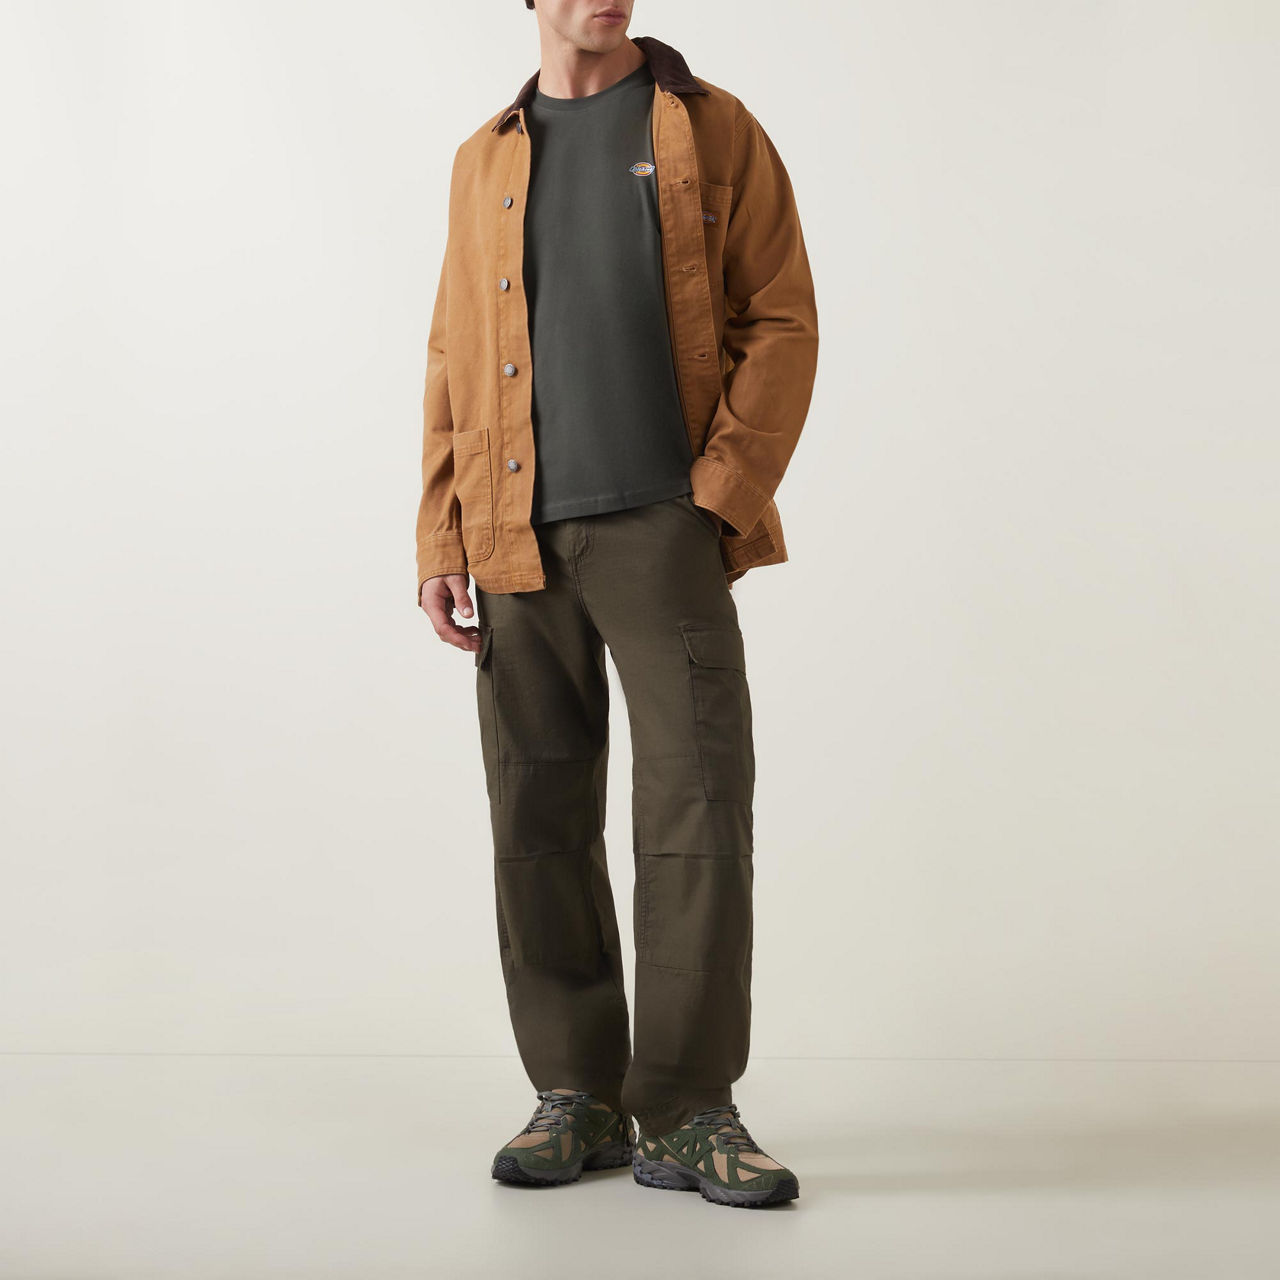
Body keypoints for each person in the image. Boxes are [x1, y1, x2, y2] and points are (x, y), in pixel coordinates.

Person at [414, 0, 818, 1209]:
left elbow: (780, 315)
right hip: (512, 530)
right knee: (535, 814)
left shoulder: (711, 125)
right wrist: (442, 531)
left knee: (697, 807)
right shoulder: (482, 156)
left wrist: (717, 495)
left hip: (660, 523)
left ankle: (687, 1106)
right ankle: (575, 1093)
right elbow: (450, 355)